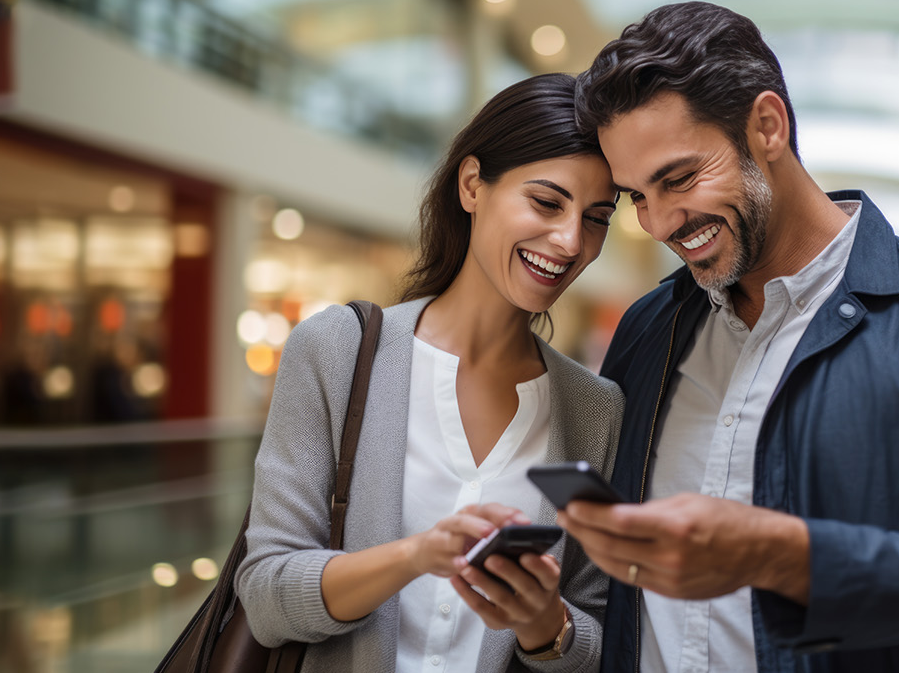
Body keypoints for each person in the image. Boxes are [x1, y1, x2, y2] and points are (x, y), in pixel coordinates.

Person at [557, 2, 899, 672]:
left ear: (767, 125)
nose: (658, 223)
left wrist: (783, 555)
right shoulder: (648, 328)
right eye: (637, 196)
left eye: (678, 179)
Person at [236, 73, 624, 673]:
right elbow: (265, 595)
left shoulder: (594, 408)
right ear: (472, 185)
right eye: (547, 202)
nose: (571, 240)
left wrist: (545, 625)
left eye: (597, 217)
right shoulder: (336, 351)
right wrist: (417, 555)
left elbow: (596, 636)